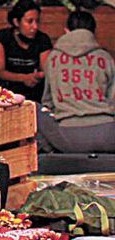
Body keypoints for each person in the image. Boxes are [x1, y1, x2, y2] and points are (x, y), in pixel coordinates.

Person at [38, 11, 115, 153]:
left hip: (68, 137)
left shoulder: (53, 58)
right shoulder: (105, 57)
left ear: (66, 31)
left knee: (35, 110)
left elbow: (48, 102)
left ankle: (52, 155)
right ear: (93, 33)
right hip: (108, 135)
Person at [0, 0, 52, 102]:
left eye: (37, 21)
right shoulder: (2, 38)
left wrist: (37, 76)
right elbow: (0, 72)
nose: (35, 27)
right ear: (16, 22)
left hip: (35, 92)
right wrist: (24, 78)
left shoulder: (43, 39)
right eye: (29, 21)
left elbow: (45, 70)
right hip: (7, 92)